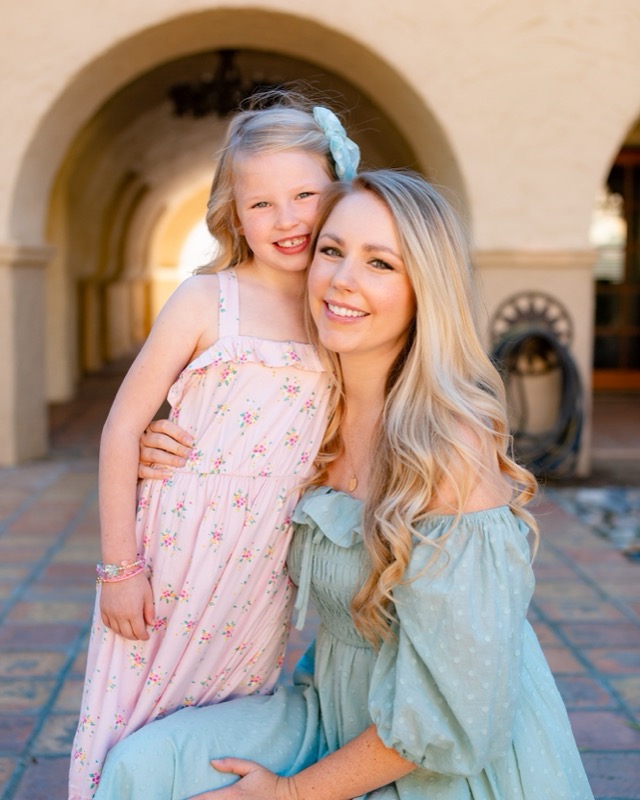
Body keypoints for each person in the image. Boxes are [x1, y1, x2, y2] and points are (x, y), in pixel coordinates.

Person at [94, 169, 595, 800]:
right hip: (329, 707)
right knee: (144, 766)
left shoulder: (449, 449)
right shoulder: (310, 414)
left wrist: (289, 793)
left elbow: (455, 715)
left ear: (424, 291)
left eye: (381, 263)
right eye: (331, 251)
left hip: (436, 751)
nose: (342, 280)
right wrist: (163, 449)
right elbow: (222, 482)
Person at [68, 93, 361, 800]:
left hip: (263, 562)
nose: (287, 219)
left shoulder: (338, 310)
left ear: (339, 194)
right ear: (235, 213)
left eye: (304, 196)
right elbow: (121, 428)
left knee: (223, 721)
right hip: (172, 548)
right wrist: (118, 569)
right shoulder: (208, 300)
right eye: (261, 204)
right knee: (133, 711)